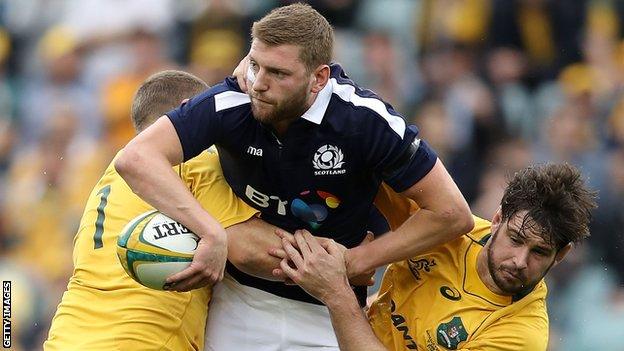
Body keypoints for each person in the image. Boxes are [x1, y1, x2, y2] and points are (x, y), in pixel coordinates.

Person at [115, 3, 473, 350]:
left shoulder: (365, 121)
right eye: (255, 65)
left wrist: (356, 262)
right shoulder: (231, 101)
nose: (258, 84)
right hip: (239, 304)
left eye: (279, 74)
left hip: (329, 313)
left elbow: (451, 213)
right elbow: (136, 158)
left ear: (319, 78)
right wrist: (210, 231)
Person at [43, 70, 288, 351]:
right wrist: (339, 257)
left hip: (66, 338)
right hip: (142, 342)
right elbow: (249, 250)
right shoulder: (193, 159)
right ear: (188, 111)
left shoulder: (109, 176)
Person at [276, 163, 597, 351]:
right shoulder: (447, 228)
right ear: (497, 218)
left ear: (562, 254)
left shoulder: (520, 335)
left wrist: (337, 292)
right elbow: (370, 169)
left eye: (539, 252)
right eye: (515, 239)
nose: (519, 261)